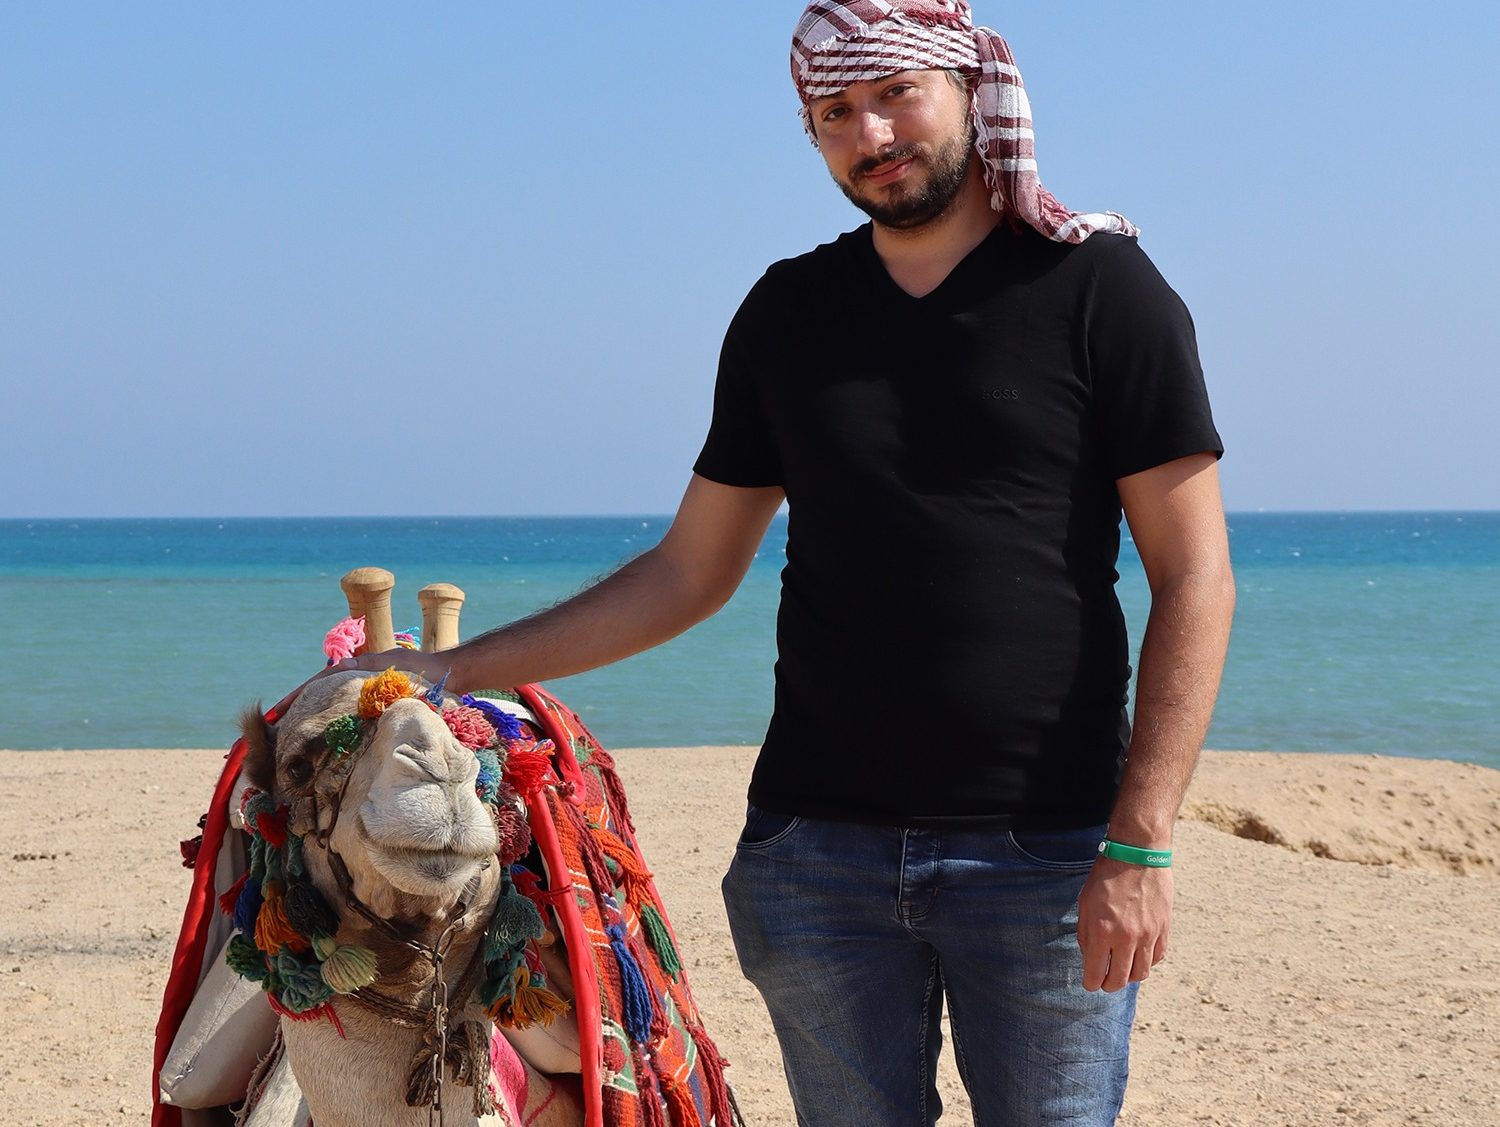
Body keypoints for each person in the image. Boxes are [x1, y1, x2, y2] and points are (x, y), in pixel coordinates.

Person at [322, 2, 1235, 1122]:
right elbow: (688, 571)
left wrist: (1139, 842)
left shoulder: (1102, 292)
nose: (872, 132)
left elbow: (1195, 575)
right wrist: (454, 672)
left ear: (971, 86)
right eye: (835, 112)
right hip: (816, 856)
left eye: (897, 93)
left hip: (1042, 854)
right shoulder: (787, 312)